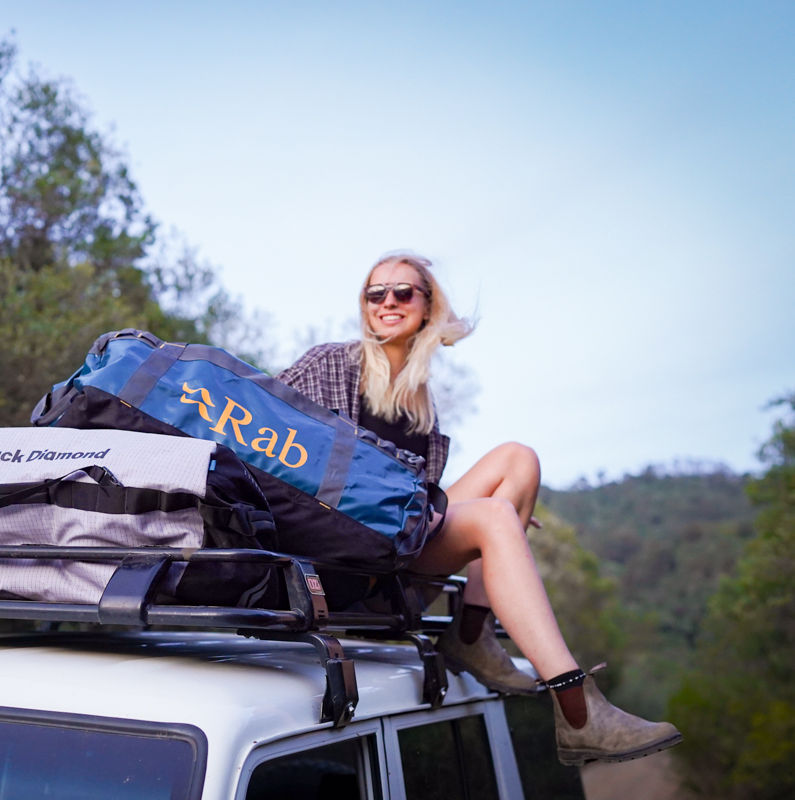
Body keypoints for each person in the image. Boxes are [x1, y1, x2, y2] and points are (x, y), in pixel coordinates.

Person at [276, 251, 681, 765]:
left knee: (519, 461)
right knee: (493, 517)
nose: (388, 302)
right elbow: (262, 432)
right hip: (341, 558)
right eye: (375, 293)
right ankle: (577, 708)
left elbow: (413, 500)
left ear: (427, 305)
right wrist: (482, 520)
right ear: (364, 306)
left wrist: (478, 519)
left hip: (393, 550)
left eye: (403, 292)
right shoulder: (331, 363)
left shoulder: (418, 397)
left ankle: (470, 633)